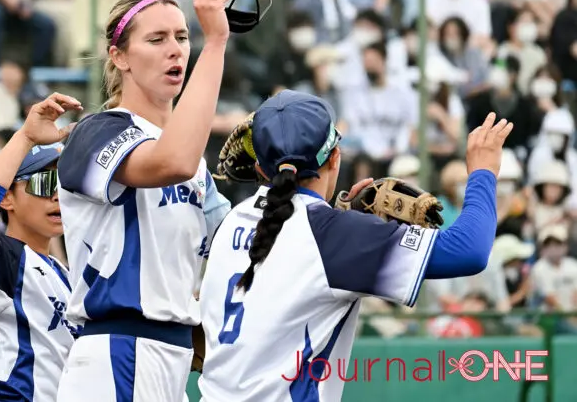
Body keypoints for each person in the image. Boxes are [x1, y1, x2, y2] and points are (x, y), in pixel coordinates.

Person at [197, 90, 512, 402]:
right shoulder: (335, 236)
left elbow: (300, 243)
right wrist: (483, 170)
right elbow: (469, 250)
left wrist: (350, 224)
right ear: (335, 157)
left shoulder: (229, 221)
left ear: (261, 169)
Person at [55, 0, 241, 402]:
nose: (176, 48)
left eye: (181, 36)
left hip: (170, 356)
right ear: (118, 56)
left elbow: (237, 241)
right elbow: (170, 163)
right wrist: (214, 45)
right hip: (118, 350)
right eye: (156, 39)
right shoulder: (96, 132)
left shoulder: (195, 164)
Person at [0, 92, 82, 401]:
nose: (57, 195)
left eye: (62, 184)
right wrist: (25, 137)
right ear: (6, 197)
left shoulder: (66, 275)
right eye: (44, 183)